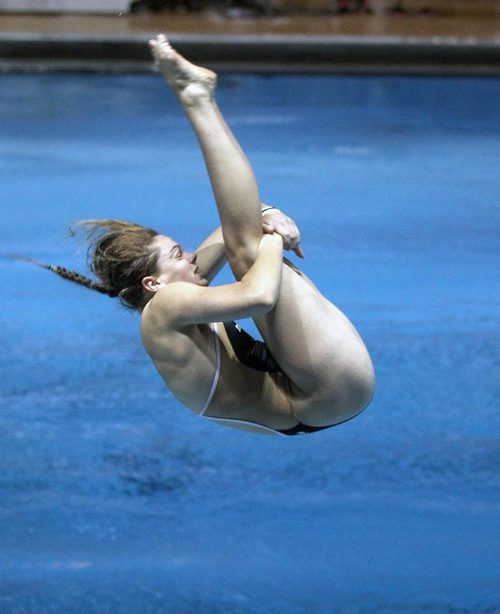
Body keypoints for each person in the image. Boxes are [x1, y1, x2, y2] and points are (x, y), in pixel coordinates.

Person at [25, 35, 375, 436]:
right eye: (176, 254)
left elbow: (234, 226)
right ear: (152, 282)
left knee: (245, 242)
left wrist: (267, 211)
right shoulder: (168, 305)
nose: (191, 255)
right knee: (250, 254)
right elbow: (259, 294)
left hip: (320, 399)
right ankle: (197, 99)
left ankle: (198, 99)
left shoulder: (169, 309)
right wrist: (275, 236)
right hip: (325, 392)